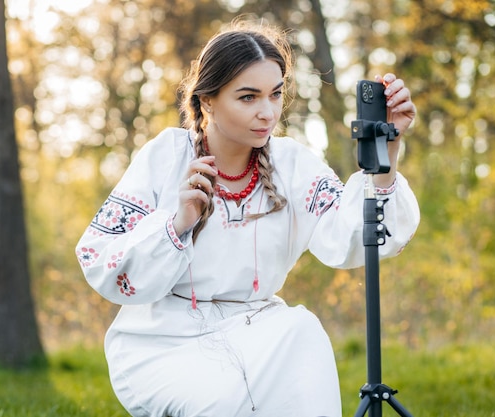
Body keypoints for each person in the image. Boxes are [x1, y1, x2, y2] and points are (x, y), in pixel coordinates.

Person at [75, 19, 420, 417]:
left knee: (302, 334)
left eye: (275, 94)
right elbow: (100, 258)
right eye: (248, 97)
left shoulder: (292, 163)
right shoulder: (165, 156)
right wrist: (177, 224)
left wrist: (386, 151)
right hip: (163, 336)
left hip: (258, 327)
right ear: (207, 100)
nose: (267, 112)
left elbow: (353, 235)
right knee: (222, 400)